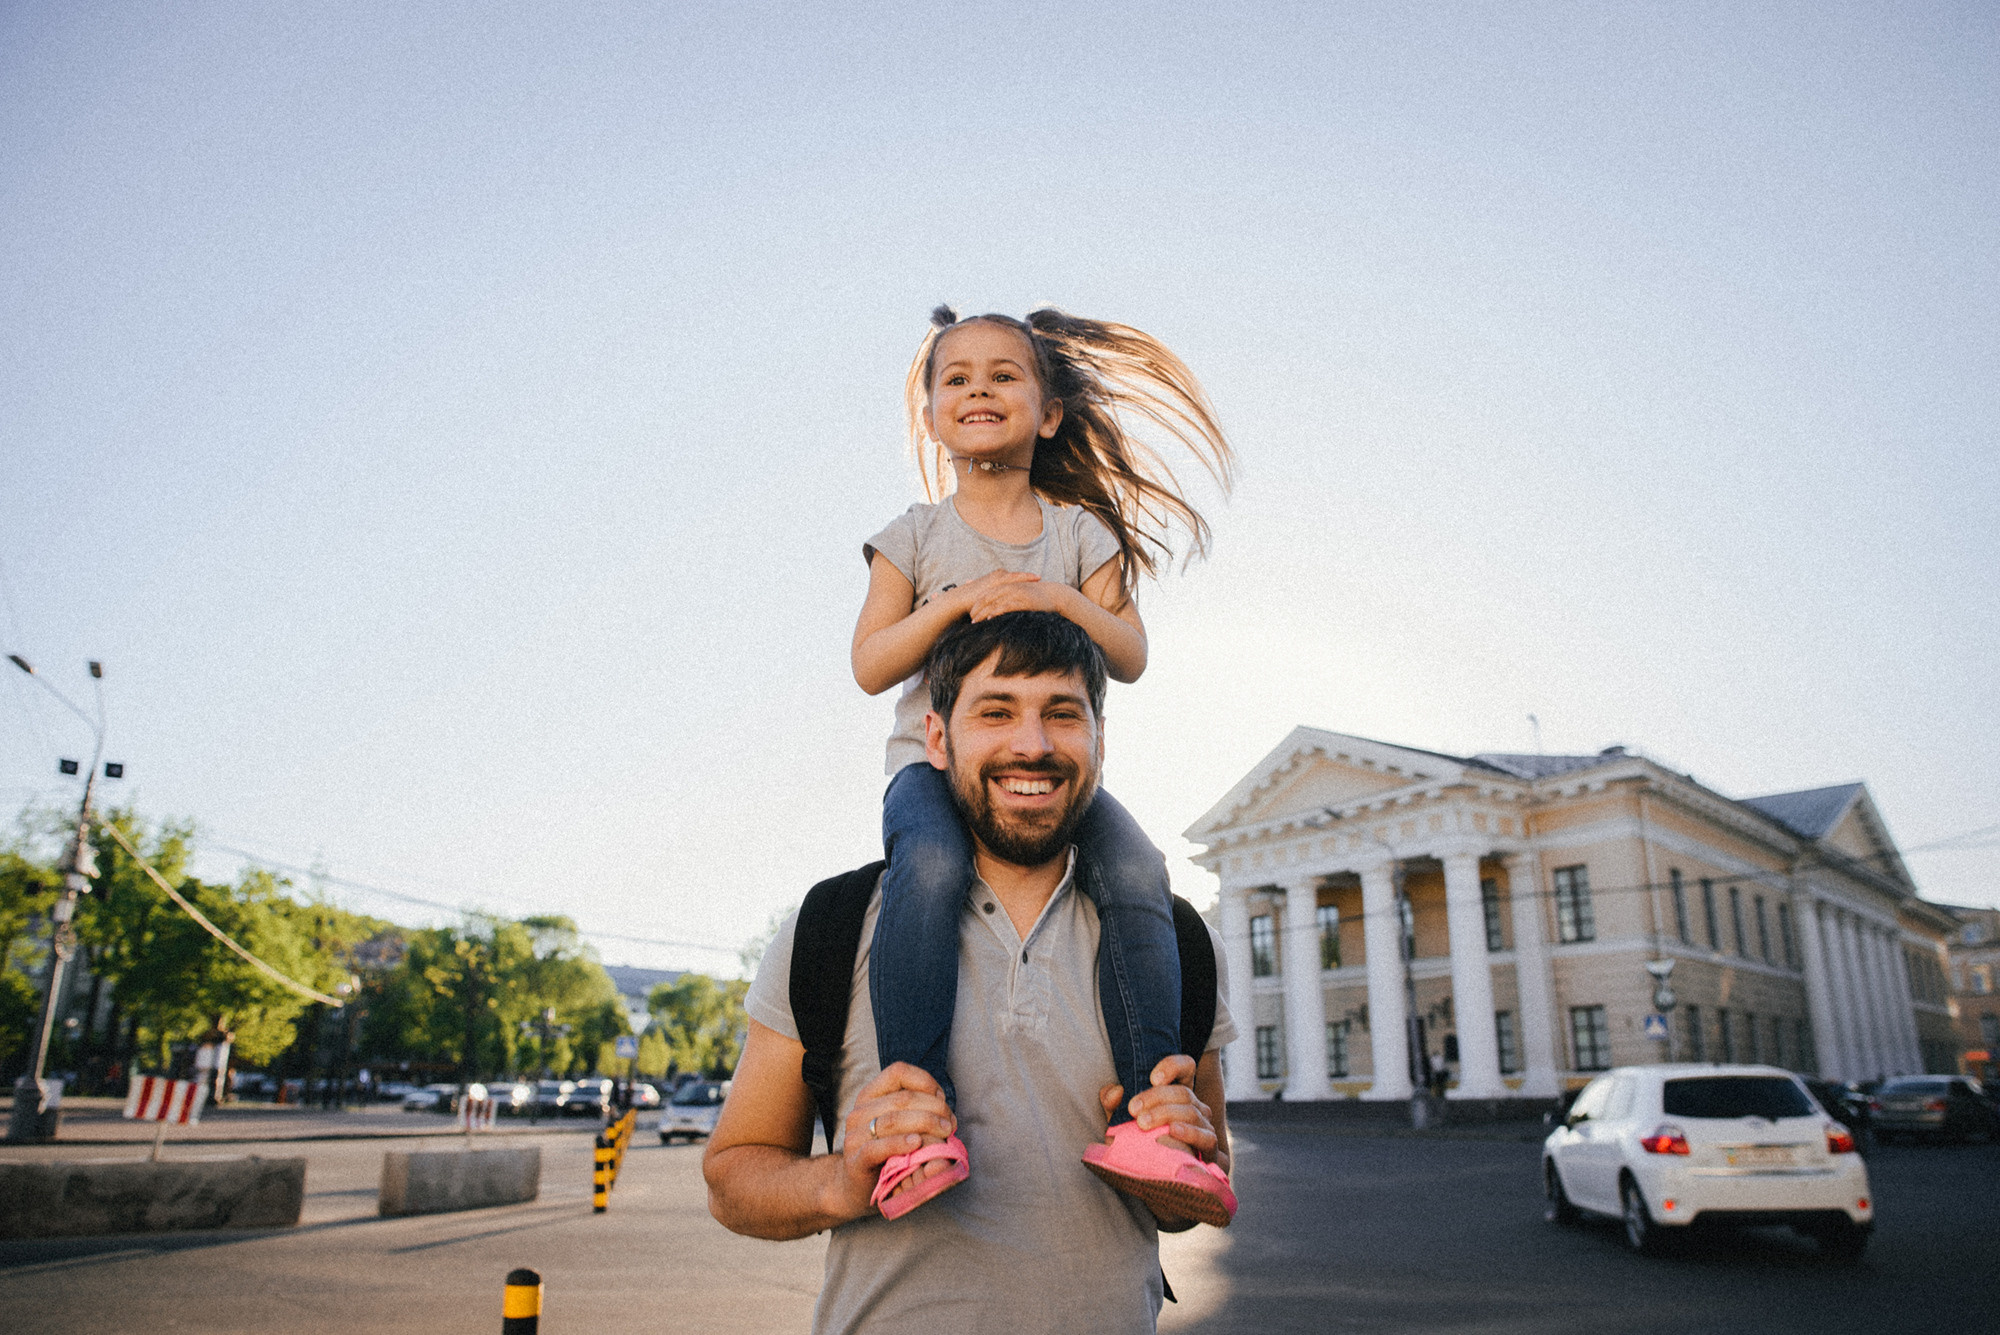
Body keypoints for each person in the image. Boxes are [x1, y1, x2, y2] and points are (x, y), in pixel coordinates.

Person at [705, 612, 1236, 1334]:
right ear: (935, 737)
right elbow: (734, 1176)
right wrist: (840, 1179)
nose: (1033, 743)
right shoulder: (834, 924)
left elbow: (1195, 1191)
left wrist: (1182, 1149)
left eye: (1062, 713)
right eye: (996, 711)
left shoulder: (1174, 940)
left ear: (1100, 741)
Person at [850, 306, 1234, 1216]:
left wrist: (1051, 593)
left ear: (1049, 412)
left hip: (1052, 774)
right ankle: (916, 1113)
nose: (979, 388)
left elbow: (1130, 654)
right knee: (934, 861)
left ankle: (1150, 1112)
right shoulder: (911, 536)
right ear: (934, 415)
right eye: (957, 377)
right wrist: (962, 602)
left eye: (1004, 374)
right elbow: (871, 665)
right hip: (934, 772)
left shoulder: (1080, 536)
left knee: (1139, 867)